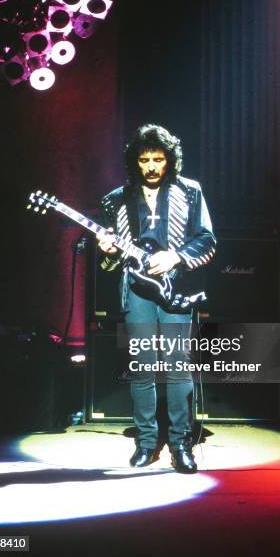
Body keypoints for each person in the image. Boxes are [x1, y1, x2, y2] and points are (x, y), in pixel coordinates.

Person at [97, 124, 216, 473]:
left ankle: (180, 443)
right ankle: (146, 442)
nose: (151, 166)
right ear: (136, 160)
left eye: (158, 159)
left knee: (179, 367)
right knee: (143, 367)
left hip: (176, 290)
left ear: (169, 160)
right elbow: (109, 261)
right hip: (136, 291)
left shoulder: (190, 192)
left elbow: (207, 241)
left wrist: (176, 257)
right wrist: (105, 250)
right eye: (145, 159)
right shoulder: (117, 199)